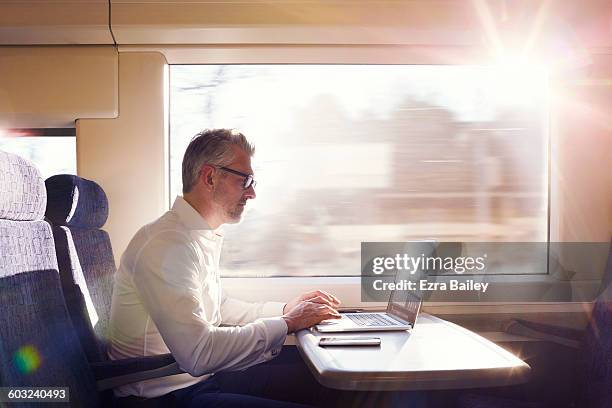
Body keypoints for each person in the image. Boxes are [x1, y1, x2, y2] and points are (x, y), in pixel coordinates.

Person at [108, 128, 342, 407]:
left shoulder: (195, 235)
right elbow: (199, 354)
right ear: (210, 177)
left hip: (197, 380)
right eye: (246, 180)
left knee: (328, 387)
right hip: (165, 396)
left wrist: (285, 309)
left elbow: (220, 307)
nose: (252, 193)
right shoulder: (166, 244)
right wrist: (288, 323)